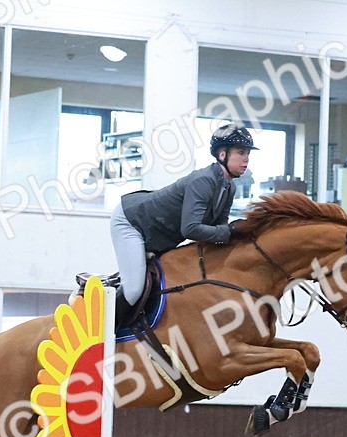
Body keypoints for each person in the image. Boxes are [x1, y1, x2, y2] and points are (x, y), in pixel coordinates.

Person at [109, 125, 257, 321]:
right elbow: (191, 228)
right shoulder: (204, 181)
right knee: (134, 289)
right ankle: (106, 335)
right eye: (240, 152)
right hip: (132, 221)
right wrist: (229, 231)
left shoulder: (229, 187)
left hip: (155, 231)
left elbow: (219, 229)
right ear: (222, 154)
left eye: (247, 153)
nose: (246, 159)